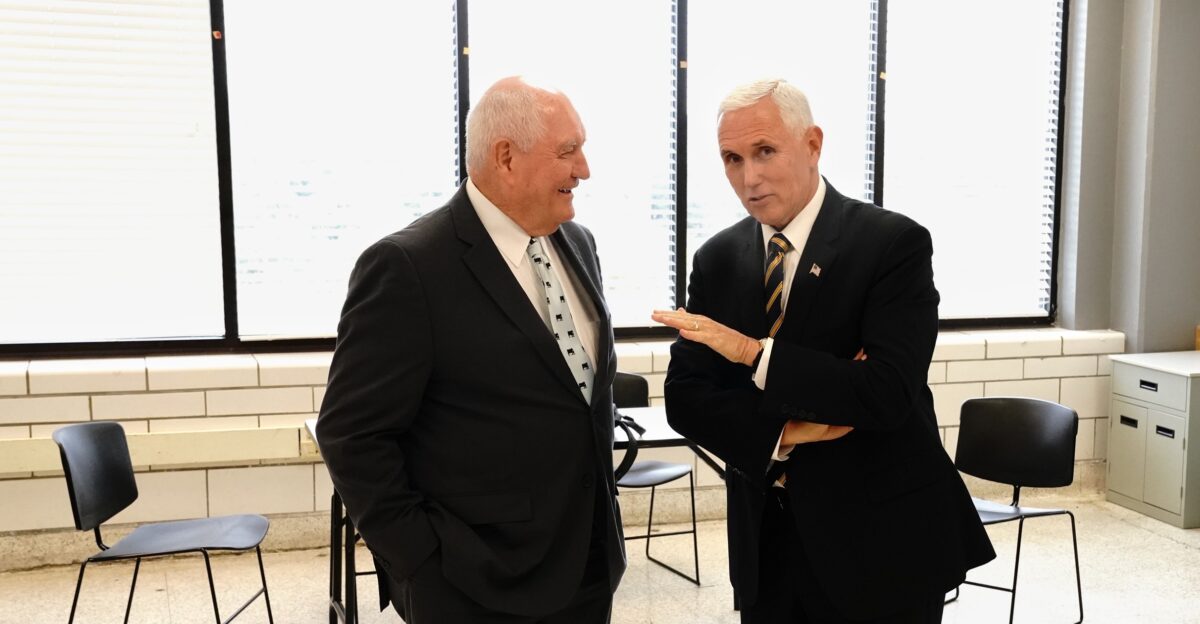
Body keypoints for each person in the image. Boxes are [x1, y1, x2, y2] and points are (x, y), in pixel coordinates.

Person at [653, 79, 995, 623]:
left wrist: (751, 355)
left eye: (765, 151)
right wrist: (784, 432)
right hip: (766, 542)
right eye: (732, 158)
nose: (749, 177)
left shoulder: (892, 244)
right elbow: (686, 399)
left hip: (881, 542)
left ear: (812, 144)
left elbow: (885, 393)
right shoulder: (716, 258)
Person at [317, 76, 624, 623]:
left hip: (589, 565)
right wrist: (421, 563)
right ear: (506, 156)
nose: (584, 169)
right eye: (568, 151)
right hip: (473, 584)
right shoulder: (408, 267)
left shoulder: (579, 244)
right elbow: (352, 436)